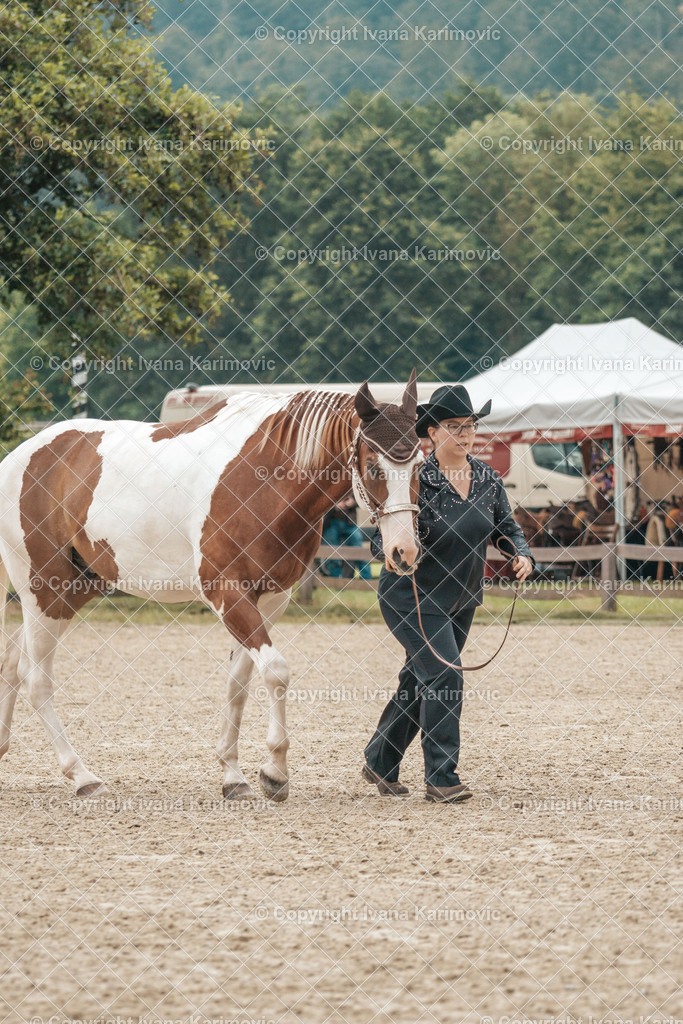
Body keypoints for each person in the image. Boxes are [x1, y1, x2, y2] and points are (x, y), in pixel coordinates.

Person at [362, 384, 534, 804]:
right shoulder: (416, 478)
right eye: (453, 426)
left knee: (417, 681)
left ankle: (379, 760)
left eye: (470, 425)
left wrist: (521, 554)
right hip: (412, 596)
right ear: (433, 433)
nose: (465, 433)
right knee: (444, 676)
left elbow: (505, 529)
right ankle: (441, 776)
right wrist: (406, 543)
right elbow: (381, 539)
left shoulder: (488, 478)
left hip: (461, 598)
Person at [321, 493, 372, 580]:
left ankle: (367, 580)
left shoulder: (351, 481)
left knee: (359, 551)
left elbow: (364, 499)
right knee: (333, 554)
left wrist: (353, 502)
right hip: (331, 523)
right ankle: (336, 581)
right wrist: (334, 505)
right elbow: (321, 502)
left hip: (350, 523)